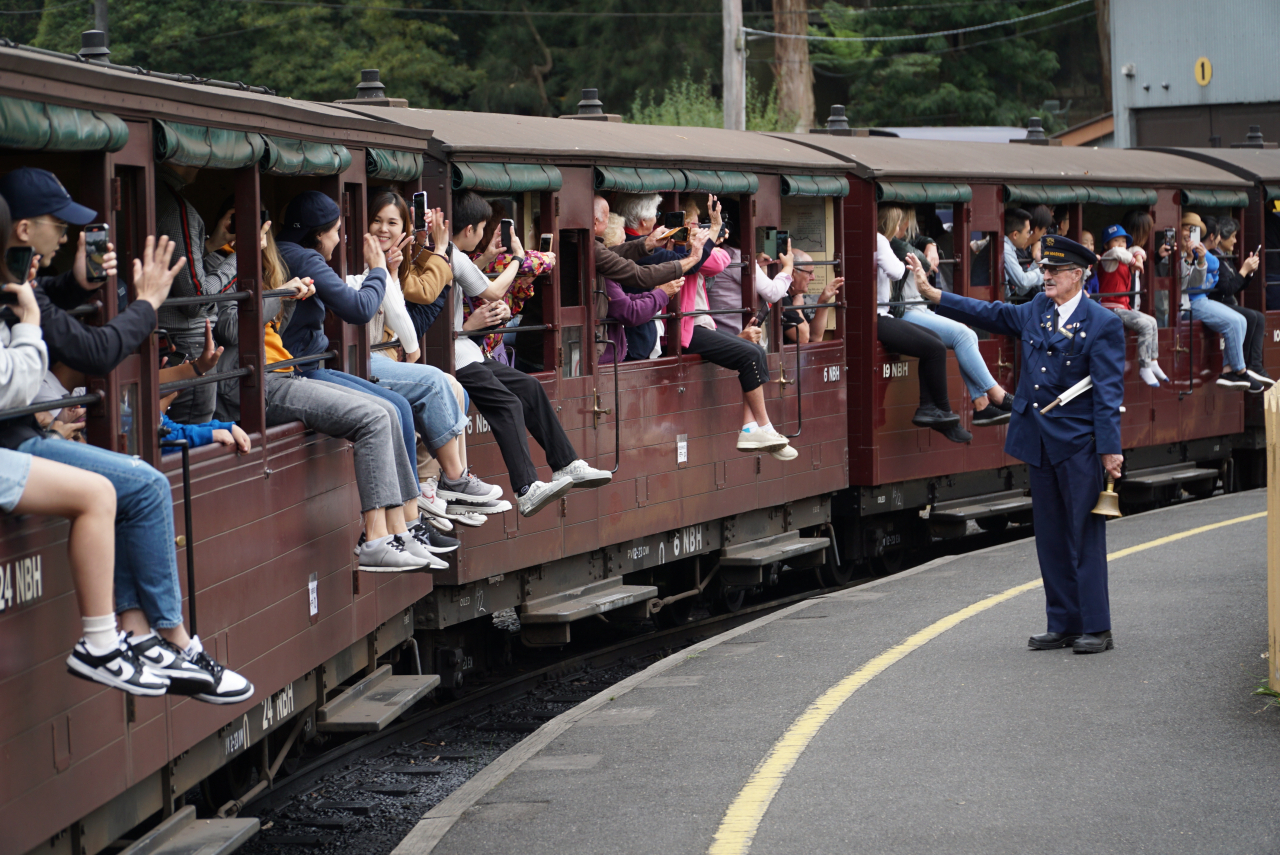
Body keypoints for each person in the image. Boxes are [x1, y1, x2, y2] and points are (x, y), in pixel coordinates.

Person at [1, 227, 254, 700]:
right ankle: (159, 642)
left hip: (20, 437)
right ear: (18, 234)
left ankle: (141, 638)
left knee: (140, 483)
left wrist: (76, 283)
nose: (41, 255)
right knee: (128, 486)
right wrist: (147, 302)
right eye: (27, 251)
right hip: (17, 441)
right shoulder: (25, 308)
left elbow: (57, 303)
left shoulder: (20, 291)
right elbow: (77, 357)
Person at [911, 235, 1124, 654]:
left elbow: (1108, 392)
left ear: (1076, 276)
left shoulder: (1103, 323)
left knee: (1084, 534)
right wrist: (933, 294)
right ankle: (1062, 622)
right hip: (1039, 439)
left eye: (1053, 271)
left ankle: (1096, 626)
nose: (1044, 276)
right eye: (1044, 269)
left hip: (1079, 442)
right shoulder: (1037, 310)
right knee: (1049, 535)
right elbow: (989, 313)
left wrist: (1110, 449)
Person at [446, 190, 612, 516]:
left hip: (467, 351)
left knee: (529, 388)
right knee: (508, 404)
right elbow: (493, 289)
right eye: (481, 230)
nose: (481, 237)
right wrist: (518, 260)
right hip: (454, 356)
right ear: (470, 230)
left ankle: (566, 464)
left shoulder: (453, 253)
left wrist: (486, 258)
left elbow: (464, 271)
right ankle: (526, 489)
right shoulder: (450, 254)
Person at [346, 191, 506, 523]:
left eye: (392, 222)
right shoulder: (362, 258)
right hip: (363, 357)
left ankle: (441, 487)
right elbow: (420, 295)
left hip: (385, 355)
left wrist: (414, 253)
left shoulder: (394, 258)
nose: (383, 228)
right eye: (377, 220)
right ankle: (450, 480)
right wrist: (437, 251)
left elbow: (409, 299)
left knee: (453, 386)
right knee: (435, 384)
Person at [667, 197, 796, 462]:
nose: (699, 229)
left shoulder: (692, 249)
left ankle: (752, 428)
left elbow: (715, 261)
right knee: (750, 354)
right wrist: (713, 233)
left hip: (698, 324)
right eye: (695, 224)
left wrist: (711, 237)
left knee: (753, 350)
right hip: (687, 328)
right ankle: (764, 428)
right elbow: (717, 261)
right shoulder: (682, 248)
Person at [883, 205, 1013, 427]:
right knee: (962, 334)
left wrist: (930, 244)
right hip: (902, 312)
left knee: (968, 335)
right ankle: (997, 394)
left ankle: (981, 405)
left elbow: (919, 243)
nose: (908, 227)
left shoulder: (905, 241)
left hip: (916, 308)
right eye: (906, 222)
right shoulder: (888, 242)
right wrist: (928, 248)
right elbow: (923, 263)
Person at [154, 163, 239, 424]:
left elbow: (172, 268)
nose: (202, 162)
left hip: (154, 333)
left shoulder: (142, 190)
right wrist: (240, 258)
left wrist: (213, 244)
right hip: (187, 340)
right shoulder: (176, 207)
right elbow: (195, 300)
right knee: (193, 427)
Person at [874, 209, 966, 442]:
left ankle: (931, 408)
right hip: (877, 317)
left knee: (934, 341)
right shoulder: (880, 240)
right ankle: (940, 411)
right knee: (935, 348)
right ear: (892, 224)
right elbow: (895, 272)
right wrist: (911, 264)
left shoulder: (878, 241)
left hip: (881, 315)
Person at [1173, 213, 1258, 392]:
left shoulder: (1198, 250)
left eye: (1194, 230)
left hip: (1197, 300)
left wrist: (1200, 257)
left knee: (1241, 320)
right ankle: (1240, 371)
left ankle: (1229, 370)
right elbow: (1187, 283)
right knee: (1234, 322)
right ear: (1178, 229)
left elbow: (1212, 266)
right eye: (1187, 228)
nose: (1189, 234)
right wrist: (1192, 259)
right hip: (1184, 305)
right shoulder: (1173, 251)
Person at [1095, 224, 1167, 388]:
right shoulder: (1109, 257)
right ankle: (1144, 367)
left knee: (1152, 321)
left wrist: (1138, 256)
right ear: (1106, 245)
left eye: (1123, 241)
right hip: (1110, 307)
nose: (1121, 244)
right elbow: (1117, 252)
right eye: (1115, 241)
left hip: (1123, 306)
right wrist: (1135, 260)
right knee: (1144, 326)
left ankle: (1153, 361)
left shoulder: (1125, 254)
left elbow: (1136, 248)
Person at [1212, 217, 1273, 386]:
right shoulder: (1215, 258)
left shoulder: (1226, 258)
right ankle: (1241, 365)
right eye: (1232, 236)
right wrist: (1244, 270)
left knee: (1259, 317)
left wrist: (1249, 272)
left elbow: (1236, 285)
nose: (1235, 240)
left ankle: (1255, 364)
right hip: (1219, 304)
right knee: (1250, 317)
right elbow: (1226, 289)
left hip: (1228, 303)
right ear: (1221, 238)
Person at [781, 250, 842, 345]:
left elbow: (815, 337)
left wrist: (823, 301)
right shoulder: (782, 297)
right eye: (809, 273)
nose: (813, 278)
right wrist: (797, 308)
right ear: (793, 273)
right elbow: (803, 338)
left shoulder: (795, 296)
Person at [1003, 208, 1044, 302]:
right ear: (1015, 235)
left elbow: (1020, 290)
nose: (1029, 235)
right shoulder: (1005, 248)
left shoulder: (1008, 246)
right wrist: (1043, 271)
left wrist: (1036, 264)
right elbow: (1023, 281)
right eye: (1028, 232)